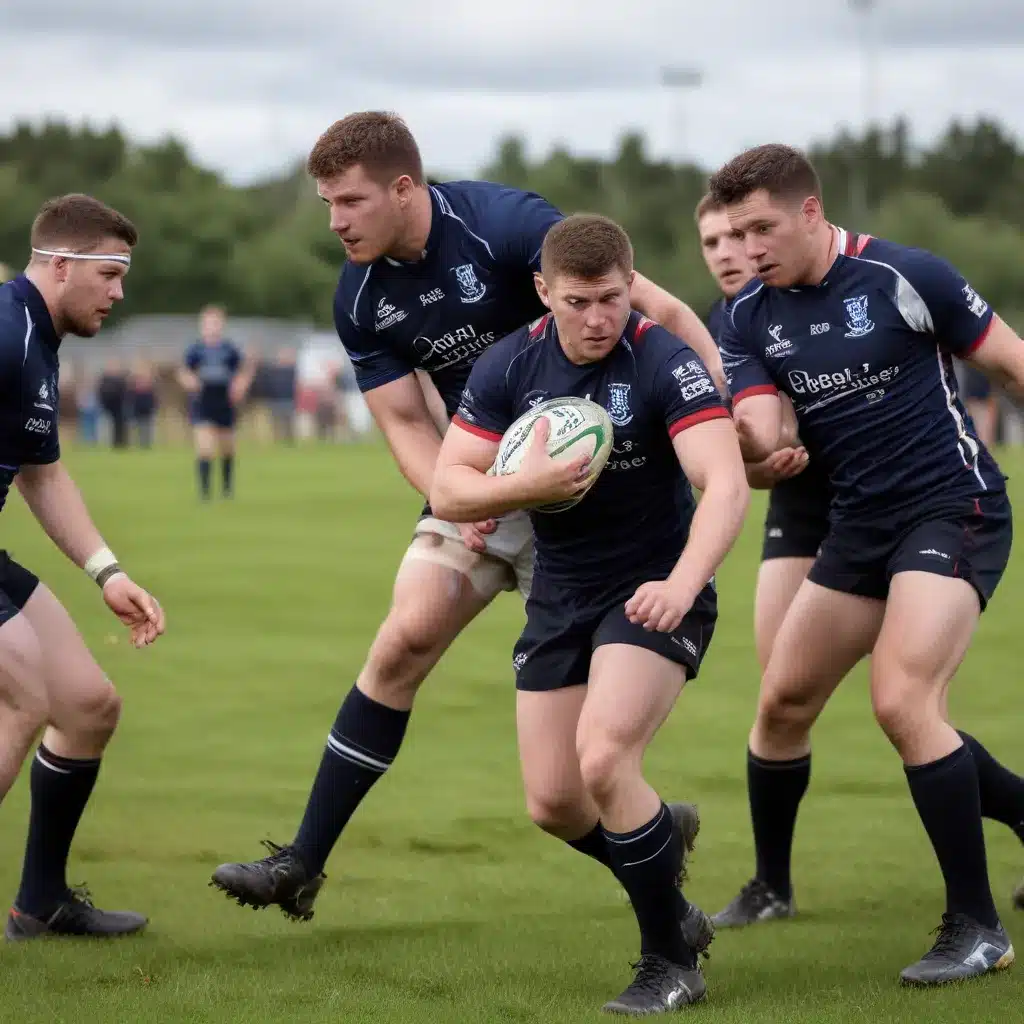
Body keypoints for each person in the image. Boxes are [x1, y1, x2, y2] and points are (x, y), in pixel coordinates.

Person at [210, 111, 724, 923]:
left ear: (404, 189)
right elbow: (409, 425)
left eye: (348, 201)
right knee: (403, 637)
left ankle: (652, 851)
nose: (335, 221)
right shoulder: (360, 296)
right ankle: (303, 862)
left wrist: (725, 404)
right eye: (327, 204)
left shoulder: (505, 226)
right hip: (480, 476)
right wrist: (471, 501)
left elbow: (647, 308)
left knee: (579, 771)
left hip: (597, 484)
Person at [708, 143, 1024, 985]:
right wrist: (735, 446)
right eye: (735, 232)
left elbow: (1011, 362)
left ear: (811, 212)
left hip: (953, 508)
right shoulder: (744, 318)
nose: (748, 248)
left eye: (763, 227)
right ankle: (772, 886)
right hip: (858, 527)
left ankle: (979, 927)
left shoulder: (905, 275)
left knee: (903, 700)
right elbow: (764, 431)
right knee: (781, 701)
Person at [429, 213, 749, 1013]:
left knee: (606, 759)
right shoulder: (511, 365)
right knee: (554, 803)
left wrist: (683, 582)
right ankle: (660, 855)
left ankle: (670, 962)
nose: (599, 318)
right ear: (544, 292)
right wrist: (519, 490)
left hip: (652, 589)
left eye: (612, 298)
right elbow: (448, 487)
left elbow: (727, 483)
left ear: (630, 287)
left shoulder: (663, 361)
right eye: (579, 302)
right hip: (560, 594)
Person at [0, 194, 165, 940]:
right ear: (60, 266)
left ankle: (40, 905)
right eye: (109, 273)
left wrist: (108, 571)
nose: (119, 292)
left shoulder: (36, 337)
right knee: (22, 700)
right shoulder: (5, 331)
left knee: (86, 703)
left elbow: (42, 471)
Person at [696, 193, 833, 688]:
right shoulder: (716, 328)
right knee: (780, 688)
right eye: (711, 242)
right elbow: (735, 459)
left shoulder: (824, 295)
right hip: (796, 504)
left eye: (735, 237)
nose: (725, 253)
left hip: (879, 497)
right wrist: (759, 467)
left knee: (905, 697)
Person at [178, 305, 252, 499]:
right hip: (203, 402)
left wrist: (240, 385)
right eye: (208, 323)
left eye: (216, 323)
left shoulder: (229, 350)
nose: (212, 327)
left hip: (224, 402)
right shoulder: (196, 349)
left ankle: (227, 490)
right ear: (202, 325)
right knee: (205, 448)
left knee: (227, 448)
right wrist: (189, 381)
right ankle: (205, 493)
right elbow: (184, 371)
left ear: (222, 325)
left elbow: (243, 371)